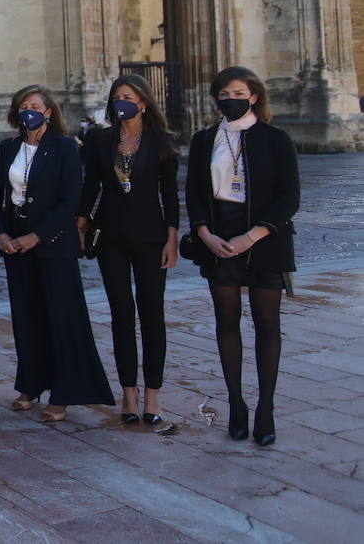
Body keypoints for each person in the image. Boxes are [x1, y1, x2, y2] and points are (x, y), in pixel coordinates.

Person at [185, 66, 299, 447]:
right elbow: (195, 193)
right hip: (219, 240)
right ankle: (236, 404)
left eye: (237, 92)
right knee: (226, 322)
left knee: (267, 324)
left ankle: (265, 409)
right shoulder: (205, 140)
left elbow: (289, 197)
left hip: (264, 238)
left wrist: (254, 234)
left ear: (253, 95)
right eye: (223, 93)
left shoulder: (275, 139)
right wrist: (204, 233)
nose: (229, 99)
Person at [0, 86, 112, 423]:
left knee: (61, 317)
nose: (29, 110)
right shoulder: (9, 147)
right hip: (15, 246)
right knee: (26, 318)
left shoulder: (64, 147)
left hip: (53, 245)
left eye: (35, 106)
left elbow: (69, 200)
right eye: (23, 105)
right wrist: (0, 232)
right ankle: (30, 384)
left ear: (49, 112)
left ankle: (63, 392)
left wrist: (36, 236)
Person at [77, 75, 179, 426]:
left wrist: (172, 238)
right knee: (121, 313)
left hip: (151, 237)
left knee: (152, 314)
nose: (122, 101)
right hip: (111, 237)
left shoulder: (161, 143)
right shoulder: (101, 139)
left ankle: (154, 395)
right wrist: (81, 219)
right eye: (118, 96)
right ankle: (129, 393)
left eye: (129, 96)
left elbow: (170, 194)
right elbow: (90, 184)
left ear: (144, 102)